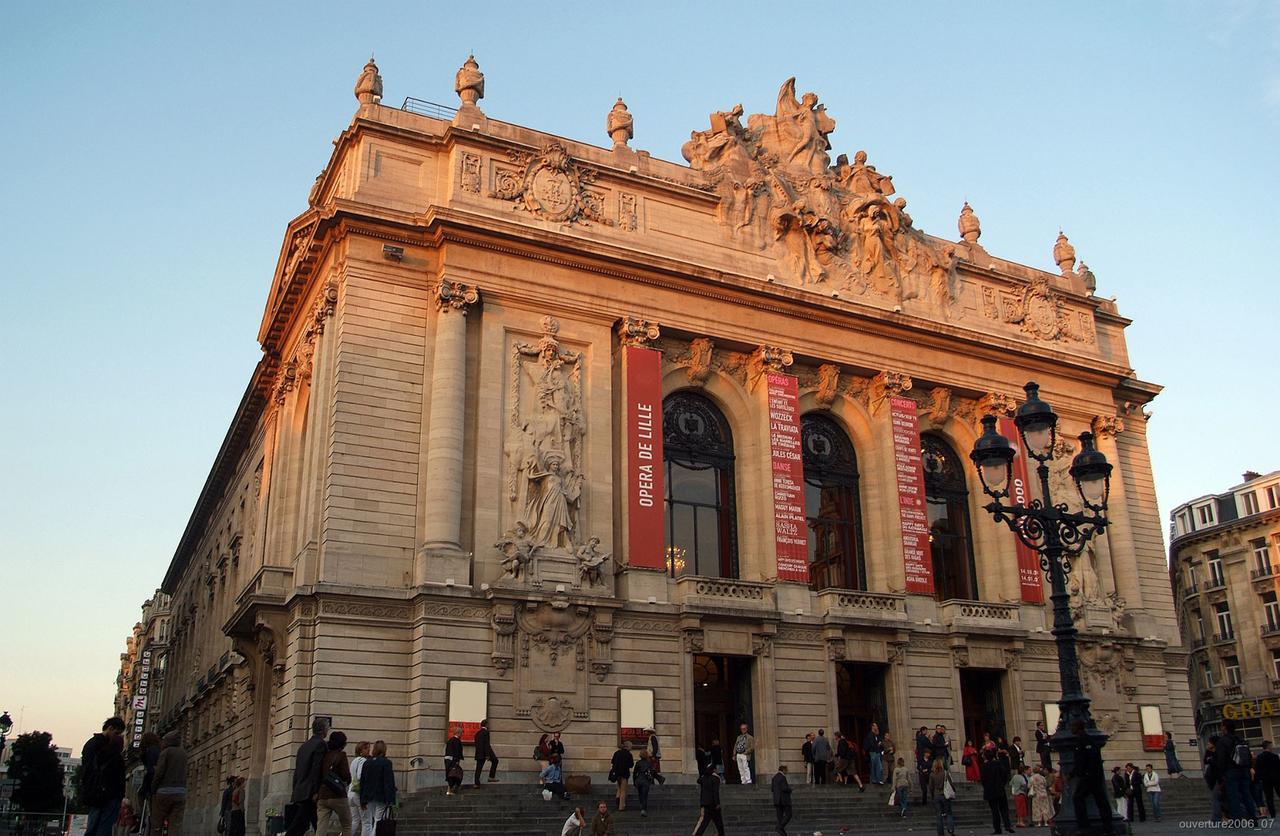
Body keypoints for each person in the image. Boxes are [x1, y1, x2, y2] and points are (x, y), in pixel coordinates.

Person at [81, 717, 128, 836]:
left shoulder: (91, 744)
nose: (117, 737)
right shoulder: (108, 747)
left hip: (95, 792)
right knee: (103, 827)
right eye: (116, 733)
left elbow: (86, 769)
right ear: (110, 728)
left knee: (93, 825)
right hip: (107, 792)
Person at [1067, 720, 1114, 832]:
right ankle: (1107, 825)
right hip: (1092, 775)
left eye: (1072, 726)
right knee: (1100, 799)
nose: (1070, 729)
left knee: (1078, 798)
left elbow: (1085, 759)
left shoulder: (1084, 739)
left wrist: (1081, 773)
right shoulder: (1084, 739)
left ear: (1078, 727)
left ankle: (1084, 826)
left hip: (1089, 776)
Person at [286, 717, 330, 836]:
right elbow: (317, 769)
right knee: (303, 824)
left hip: (301, 789)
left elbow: (298, 770)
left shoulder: (304, 746)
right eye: (327, 728)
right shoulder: (321, 744)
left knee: (310, 823)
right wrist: (316, 790)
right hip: (310, 792)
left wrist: (295, 789)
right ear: (323, 730)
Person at [1215, 717, 1259, 823]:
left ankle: (1237, 819)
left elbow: (1221, 759)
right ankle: (1253, 817)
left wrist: (1220, 774)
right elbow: (1248, 756)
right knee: (1246, 794)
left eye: (1221, 726)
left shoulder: (1222, 741)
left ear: (1224, 727)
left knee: (1233, 796)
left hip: (1231, 771)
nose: (1221, 728)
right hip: (1244, 770)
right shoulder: (1240, 739)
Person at [149, 732, 186, 836]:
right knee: (175, 824)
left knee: (157, 823)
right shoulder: (183, 753)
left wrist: (153, 788)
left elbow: (159, 773)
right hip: (180, 792)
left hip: (163, 791)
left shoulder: (166, 752)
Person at [316, 731, 352, 836]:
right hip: (338, 795)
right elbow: (345, 775)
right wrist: (347, 781)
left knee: (321, 826)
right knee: (347, 824)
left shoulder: (324, 755)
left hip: (322, 795)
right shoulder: (341, 755)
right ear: (342, 744)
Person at [358, 740, 397, 836]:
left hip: (368, 796)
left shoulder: (367, 763)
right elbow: (388, 782)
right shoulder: (386, 763)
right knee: (378, 821)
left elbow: (363, 781)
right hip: (381, 796)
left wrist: (362, 799)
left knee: (372, 821)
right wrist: (390, 799)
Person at [981, 748, 1013, 834]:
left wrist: (986, 787)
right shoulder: (998, 764)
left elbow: (983, 779)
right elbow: (1004, 774)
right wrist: (1002, 784)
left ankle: (997, 828)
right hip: (1000, 789)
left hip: (990, 790)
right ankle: (1007, 825)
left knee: (994, 811)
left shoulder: (984, 766)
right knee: (1004, 809)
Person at [693, 764, 725, 835]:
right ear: (714, 770)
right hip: (713, 804)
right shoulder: (716, 779)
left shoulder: (704, 778)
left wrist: (704, 774)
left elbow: (698, 780)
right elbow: (715, 792)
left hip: (705, 803)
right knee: (718, 823)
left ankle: (698, 834)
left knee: (704, 822)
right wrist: (717, 803)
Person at [928, 758, 955, 836]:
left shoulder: (932, 774)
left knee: (938, 816)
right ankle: (950, 829)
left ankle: (940, 833)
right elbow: (950, 783)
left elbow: (930, 787)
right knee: (949, 813)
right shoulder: (945, 773)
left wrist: (932, 795)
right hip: (945, 795)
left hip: (936, 795)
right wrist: (953, 791)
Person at [348, 741, 369, 836]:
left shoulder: (354, 761)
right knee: (366, 822)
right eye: (366, 748)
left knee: (354, 820)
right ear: (361, 750)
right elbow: (361, 776)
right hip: (359, 793)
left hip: (351, 792)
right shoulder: (363, 761)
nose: (369, 750)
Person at [1256, 740, 1280, 816]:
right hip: (1276, 778)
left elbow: (1258, 769)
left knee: (1269, 797)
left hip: (1265, 780)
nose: (1272, 747)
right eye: (1271, 746)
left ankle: (1272, 814)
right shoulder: (1275, 756)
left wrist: (1260, 778)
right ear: (1268, 746)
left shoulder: (1259, 757)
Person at [473, 719, 499, 787]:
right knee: (495, 761)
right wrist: (487, 754)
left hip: (479, 752)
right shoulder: (486, 732)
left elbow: (477, 743)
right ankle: (491, 777)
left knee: (478, 768)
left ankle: (476, 783)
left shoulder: (477, 733)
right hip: (486, 751)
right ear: (486, 725)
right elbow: (486, 744)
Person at [610, 740, 634, 810]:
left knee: (619, 789)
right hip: (624, 773)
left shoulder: (617, 753)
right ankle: (621, 806)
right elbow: (631, 765)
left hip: (617, 773)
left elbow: (613, 762)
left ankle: (617, 803)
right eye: (631, 747)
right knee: (623, 790)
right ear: (628, 747)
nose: (631, 748)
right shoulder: (629, 754)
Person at [1204, 738, 1223, 823]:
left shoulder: (1218, 754)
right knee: (1216, 798)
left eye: (1209, 743)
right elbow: (1205, 761)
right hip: (1213, 780)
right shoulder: (1211, 753)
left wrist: (1219, 781)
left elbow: (1216, 767)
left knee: (1216, 799)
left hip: (1217, 780)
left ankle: (1216, 818)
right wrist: (1208, 751)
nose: (1207, 744)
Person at [772, 763, 793, 835]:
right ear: (783, 770)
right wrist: (790, 789)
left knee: (780, 817)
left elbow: (772, 789)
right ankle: (780, 827)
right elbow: (784, 788)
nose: (787, 772)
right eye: (786, 770)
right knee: (789, 814)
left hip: (777, 800)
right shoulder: (782, 777)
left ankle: (782, 832)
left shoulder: (774, 777)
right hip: (784, 800)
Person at [633, 750, 655, 817]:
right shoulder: (649, 763)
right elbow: (651, 773)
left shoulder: (638, 763)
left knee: (640, 794)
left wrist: (634, 781)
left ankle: (641, 805)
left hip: (639, 780)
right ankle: (643, 809)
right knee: (644, 795)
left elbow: (634, 773)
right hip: (645, 781)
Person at [443, 727, 464, 796]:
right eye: (461, 733)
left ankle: (450, 789)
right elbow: (457, 751)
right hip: (453, 760)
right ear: (458, 733)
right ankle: (450, 790)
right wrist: (457, 760)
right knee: (453, 774)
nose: (462, 734)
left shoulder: (450, 740)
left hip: (447, 760)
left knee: (450, 774)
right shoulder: (457, 741)